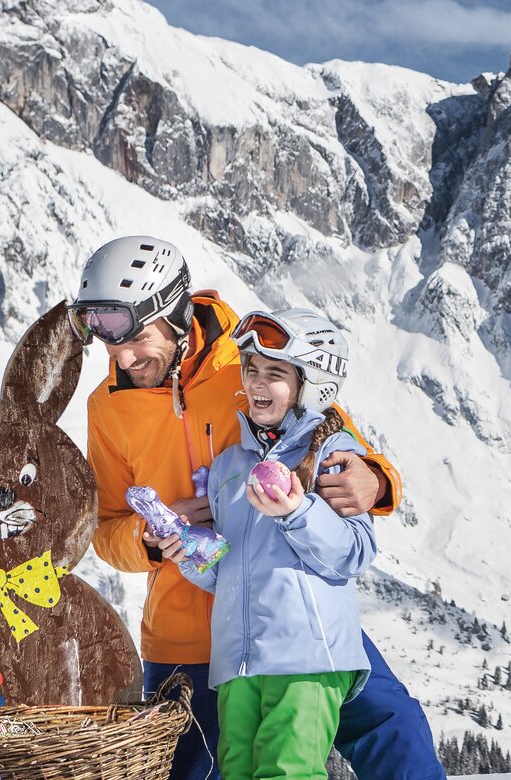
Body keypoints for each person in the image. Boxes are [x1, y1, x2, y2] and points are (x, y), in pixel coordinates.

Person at [72, 236, 441, 780]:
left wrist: (379, 482)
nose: (124, 359)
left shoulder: (250, 365)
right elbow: (103, 531)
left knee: (396, 735)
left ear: (174, 314)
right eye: (111, 347)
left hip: (295, 611)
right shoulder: (107, 408)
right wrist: (146, 541)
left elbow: (332, 436)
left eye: (138, 340)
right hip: (187, 635)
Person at [153, 307, 376, 780]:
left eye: (274, 374)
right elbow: (226, 574)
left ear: (313, 385)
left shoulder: (331, 455)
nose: (256, 383)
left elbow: (354, 554)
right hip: (238, 663)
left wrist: (297, 512)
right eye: (251, 369)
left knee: (287, 771)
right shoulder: (229, 467)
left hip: (306, 658)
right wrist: (189, 554)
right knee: (236, 772)